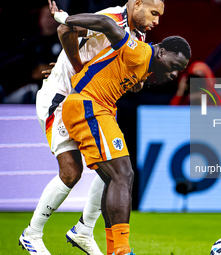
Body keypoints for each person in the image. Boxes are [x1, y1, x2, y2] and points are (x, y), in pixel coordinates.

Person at [19, 1, 164, 255]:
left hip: (95, 103)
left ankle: (84, 230)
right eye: (154, 13)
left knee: (113, 166)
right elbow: (65, 31)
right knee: (71, 172)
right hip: (63, 97)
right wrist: (77, 70)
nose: (157, 21)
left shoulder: (138, 35)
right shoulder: (110, 19)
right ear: (137, 3)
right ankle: (32, 234)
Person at [49, 2, 190, 255]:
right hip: (88, 105)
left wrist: (136, 83)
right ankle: (121, 250)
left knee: (115, 178)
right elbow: (106, 24)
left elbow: (119, 70)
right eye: (175, 66)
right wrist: (64, 17)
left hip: (97, 108)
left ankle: (112, 246)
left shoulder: (144, 64)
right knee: (123, 175)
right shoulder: (141, 52)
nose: (175, 74)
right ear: (163, 52)